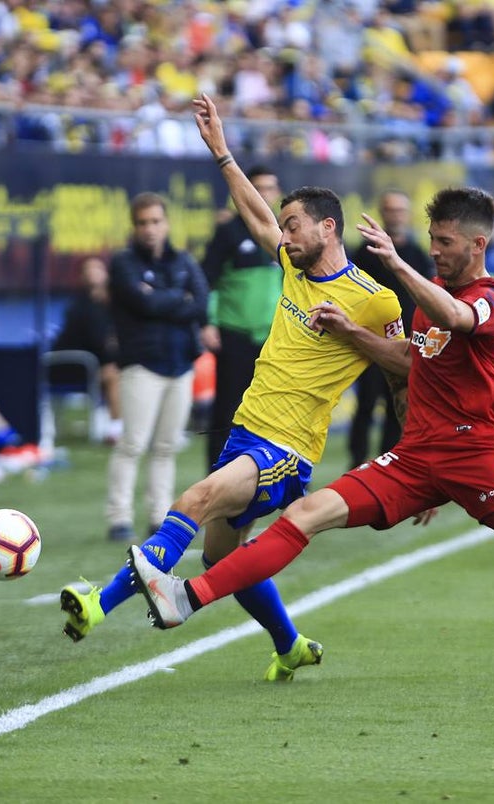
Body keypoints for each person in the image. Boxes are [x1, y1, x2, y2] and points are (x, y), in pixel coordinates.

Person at [129, 186, 494, 698]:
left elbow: (457, 320)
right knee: (306, 513)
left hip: (479, 457)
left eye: (445, 242)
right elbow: (411, 369)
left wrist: (398, 263)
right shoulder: (427, 298)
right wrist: (359, 334)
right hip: (415, 459)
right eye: (431, 240)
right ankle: (189, 597)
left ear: (477, 245)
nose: (435, 250)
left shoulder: (490, 298)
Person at [61, 93, 404, 681]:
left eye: (295, 224)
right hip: (247, 432)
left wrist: (414, 445)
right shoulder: (296, 267)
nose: (284, 233)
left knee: (190, 501)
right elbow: (257, 216)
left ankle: (98, 604)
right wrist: (221, 152)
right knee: (225, 558)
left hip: (287, 450)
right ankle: (290, 644)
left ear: (328, 227)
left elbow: (404, 365)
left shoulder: (375, 300)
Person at [103, 192, 210, 543]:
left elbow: (202, 302)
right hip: (142, 365)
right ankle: (119, 517)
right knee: (132, 443)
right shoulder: (123, 263)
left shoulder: (182, 260)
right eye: (143, 223)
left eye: (155, 221)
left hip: (180, 364)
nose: (150, 229)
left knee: (166, 446)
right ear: (134, 227)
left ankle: (158, 515)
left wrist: (162, 299)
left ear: (166, 223)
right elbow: (142, 303)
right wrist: (179, 299)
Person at [199, 165, 283, 469]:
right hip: (234, 333)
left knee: (276, 411)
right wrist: (208, 322)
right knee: (227, 411)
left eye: (269, 188)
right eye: (256, 188)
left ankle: (273, 475)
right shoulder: (228, 233)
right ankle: (216, 473)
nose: (263, 194)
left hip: (274, 337)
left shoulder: (284, 234)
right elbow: (206, 280)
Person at [346, 188, 434, 470]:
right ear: (382, 213)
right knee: (366, 404)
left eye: (400, 210)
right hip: (371, 342)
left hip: (405, 344)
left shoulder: (418, 254)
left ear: (407, 215)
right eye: (390, 210)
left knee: (400, 405)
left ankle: (388, 461)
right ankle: (357, 460)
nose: (395, 215)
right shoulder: (366, 252)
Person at [52, 256, 123, 444]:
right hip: (73, 367)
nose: (93, 274)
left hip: (96, 364)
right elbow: (98, 343)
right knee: (113, 373)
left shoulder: (114, 306)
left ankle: (140, 428)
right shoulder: (79, 307)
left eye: (98, 268)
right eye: (88, 270)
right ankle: (116, 431)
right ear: (82, 277)